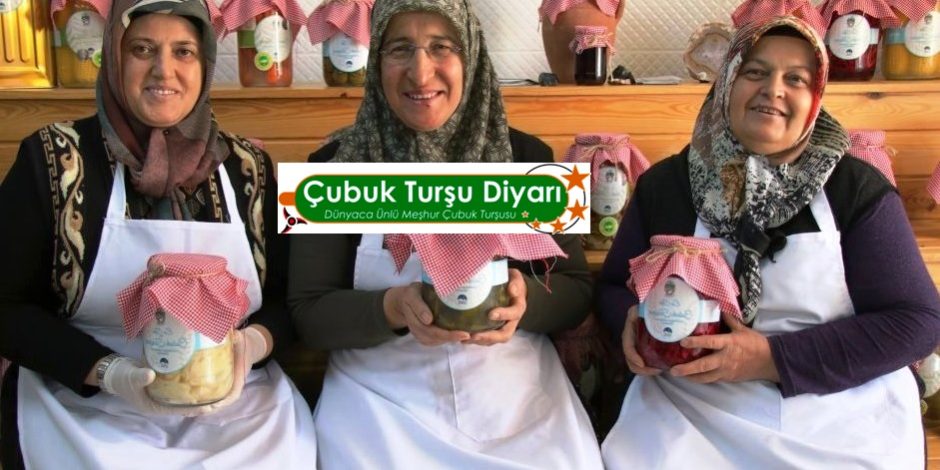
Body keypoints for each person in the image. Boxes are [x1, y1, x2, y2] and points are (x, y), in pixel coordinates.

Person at [596, 16, 940, 469]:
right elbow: (613, 287)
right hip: (690, 411)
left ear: (815, 98)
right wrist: (629, 319)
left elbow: (916, 321)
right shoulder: (668, 186)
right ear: (726, 83)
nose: (773, 90)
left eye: (795, 79)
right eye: (755, 72)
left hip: (839, 415)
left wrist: (772, 359)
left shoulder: (853, 188)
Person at [0, 0, 317, 468]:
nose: (163, 70)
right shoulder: (50, 159)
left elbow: (293, 297)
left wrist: (253, 345)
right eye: (142, 49)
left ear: (205, 63)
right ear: (114, 57)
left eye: (183, 51)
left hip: (234, 405)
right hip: (85, 406)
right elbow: (6, 306)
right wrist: (107, 372)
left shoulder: (250, 168)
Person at [287, 0, 603, 468]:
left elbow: (575, 288)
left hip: (515, 397)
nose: (420, 72)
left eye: (441, 47)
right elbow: (308, 313)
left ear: (471, 55)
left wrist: (525, 301)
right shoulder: (329, 170)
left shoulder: (527, 157)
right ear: (376, 63)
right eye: (400, 48)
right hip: (378, 402)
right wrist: (392, 307)